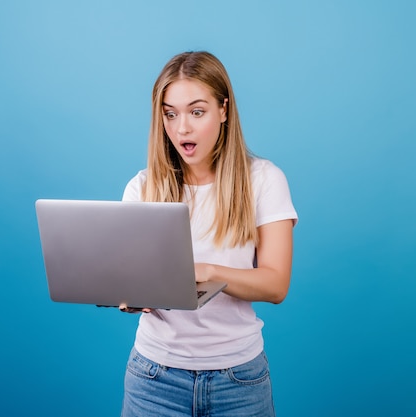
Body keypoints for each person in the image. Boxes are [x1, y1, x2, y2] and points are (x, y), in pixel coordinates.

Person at [120, 51, 298, 417]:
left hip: (239, 380)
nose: (181, 127)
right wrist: (128, 293)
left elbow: (276, 284)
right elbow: (132, 280)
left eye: (196, 112)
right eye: (170, 114)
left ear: (224, 110)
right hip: (154, 378)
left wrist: (208, 272)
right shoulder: (142, 188)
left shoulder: (263, 180)